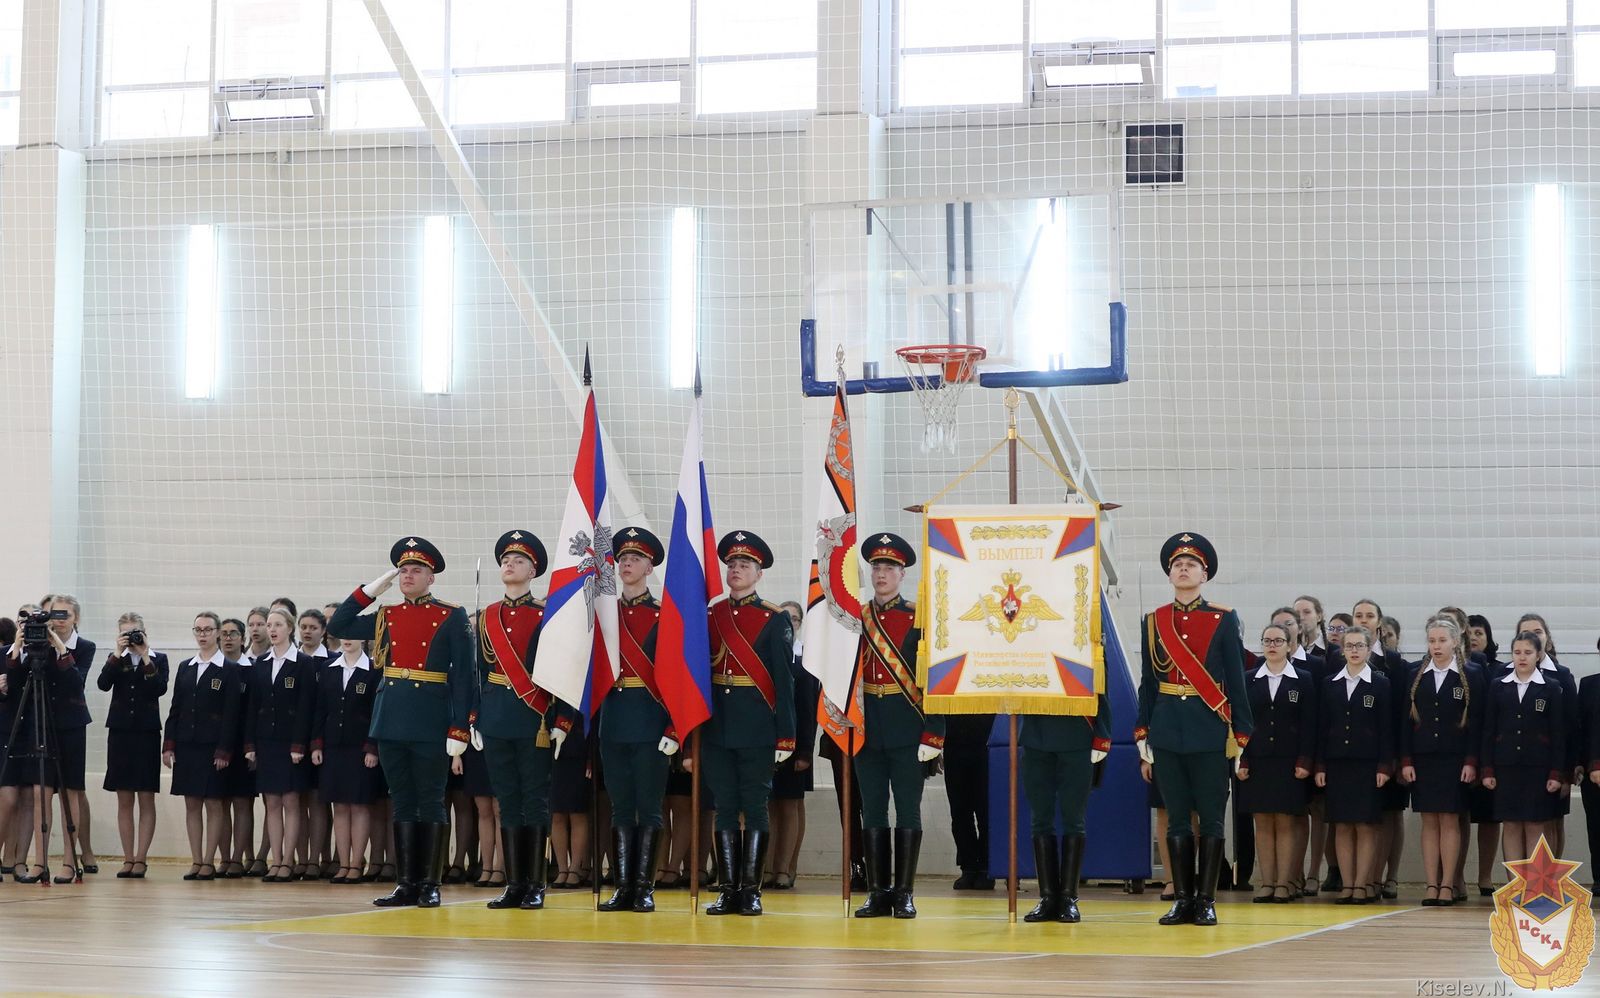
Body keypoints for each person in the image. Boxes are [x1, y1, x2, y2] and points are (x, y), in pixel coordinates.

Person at [330, 535, 475, 908]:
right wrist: (369, 591)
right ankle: (407, 883)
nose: (408, 575)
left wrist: (460, 726)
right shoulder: (387, 614)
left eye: (416, 570)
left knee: (431, 800)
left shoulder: (451, 615)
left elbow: (464, 676)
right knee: (402, 801)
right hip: (392, 717)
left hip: (430, 718)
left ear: (431, 577)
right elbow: (340, 625)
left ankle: (430, 883)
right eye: (403, 570)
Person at [1133, 533, 1253, 926]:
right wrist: (1143, 730)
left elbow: (1235, 679)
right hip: (1168, 728)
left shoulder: (1223, 617)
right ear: (1170, 574)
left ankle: (1206, 900)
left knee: (1213, 818)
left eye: (1191, 565)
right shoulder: (1154, 620)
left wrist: (1242, 732)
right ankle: (1182, 899)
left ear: (1204, 575)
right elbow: (1149, 682)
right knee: (1177, 818)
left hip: (1209, 728)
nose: (1183, 569)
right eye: (1177, 565)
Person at [475, 529, 574, 911]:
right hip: (496, 717)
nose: (509, 565)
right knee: (506, 801)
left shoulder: (546, 615)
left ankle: (535, 884)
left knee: (534, 801)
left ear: (533, 571)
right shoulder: (487, 616)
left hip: (535, 719)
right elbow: (477, 672)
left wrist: (563, 720)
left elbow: (564, 671)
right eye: (505, 560)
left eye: (518, 561)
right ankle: (514, 884)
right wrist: (473, 718)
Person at [701, 531, 796, 917]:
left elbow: (785, 683)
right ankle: (728, 889)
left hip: (757, 727)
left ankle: (751, 890)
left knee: (755, 808)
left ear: (759, 574)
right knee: (724, 808)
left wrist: (786, 735)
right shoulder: (712, 616)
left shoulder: (774, 618)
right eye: (732, 564)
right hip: (718, 728)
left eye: (745, 565)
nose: (736, 569)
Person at [849, 533, 943, 920]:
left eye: (889, 567)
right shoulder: (855, 619)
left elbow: (936, 680)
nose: (881, 574)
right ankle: (877, 892)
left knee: (907, 811)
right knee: (871, 811)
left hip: (908, 728)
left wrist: (934, 734)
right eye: (876, 567)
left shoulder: (919, 618)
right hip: (866, 728)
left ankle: (903, 893)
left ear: (903, 574)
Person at [595, 527, 677, 913]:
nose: (627, 563)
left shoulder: (664, 616)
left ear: (649, 567)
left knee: (650, 806)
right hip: (613, 720)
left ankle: (644, 887)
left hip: (650, 721)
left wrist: (674, 727)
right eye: (623, 558)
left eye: (635, 558)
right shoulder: (604, 614)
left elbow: (678, 677)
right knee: (621, 807)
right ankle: (622, 886)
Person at [5, 595, 95, 885]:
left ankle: (69, 861)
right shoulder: (36, 643)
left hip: (71, 726)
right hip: (40, 722)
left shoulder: (84, 647)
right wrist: (19, 646)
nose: (58, 620)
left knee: (70, 794)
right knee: (39, 794)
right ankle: (39, 861)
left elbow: (76, 682)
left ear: (76, 618)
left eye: (64, 615)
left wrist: (58, 645)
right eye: (53, 614)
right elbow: (16, 681)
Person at [1400, 617, 1482, 906]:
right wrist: (1406, 760)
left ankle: (1448, 883)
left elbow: (1477, 722)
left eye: (1442, 640)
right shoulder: (1416, 674)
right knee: (1429, 821)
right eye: (1432, 640)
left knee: (1449, 819)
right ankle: (1431, 883)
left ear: (1455, 642)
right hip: (1423, 759)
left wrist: (1471, 761)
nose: (1436, 646)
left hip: (1454, 759)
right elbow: (1405, 722)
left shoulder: (1470, 674)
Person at [1020, 670, 1111, 923]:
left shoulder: (1086, 641)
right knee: (1040, 819)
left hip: (1077, 732)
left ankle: (1069, 897)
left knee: (1074, 819)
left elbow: (1101, 684)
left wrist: (1102, 734)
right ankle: (1048, 897)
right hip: (1036, 732)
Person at [1236, 622, 1316, 904]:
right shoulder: (1248, 679)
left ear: (1289, 645)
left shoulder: (1302, 679)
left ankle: (1284, 882)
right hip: (1257, 761)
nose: (1272, 645)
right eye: (1267, 640)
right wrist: (1242, 758)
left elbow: (1309, 724)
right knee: (1262, 822)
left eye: (1278, 641)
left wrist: (1305, 760)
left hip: (1289, 761)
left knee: (1285, 821)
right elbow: (1241, 722)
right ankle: (1267, 882)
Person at [1314, 626, 1393, 904]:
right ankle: (1347, 884)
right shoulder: (1330, 683)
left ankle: (1362, 884)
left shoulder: (1380, 684)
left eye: (1360, 646)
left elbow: (1386, 729)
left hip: (1368, 765)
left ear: (1369, 649)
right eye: (1349, 646)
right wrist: (1320, 765)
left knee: (1365, 824)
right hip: (1337, 763)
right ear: (1342, 650)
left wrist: (1384, 765)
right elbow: (1322, 727)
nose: (1354, 651)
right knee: (1342, 825)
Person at [163, 612, 243, 881]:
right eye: (198, 630)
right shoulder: (186, 667)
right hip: (187, 745)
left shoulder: (229, 669)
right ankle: (196, 859)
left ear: (217, 633)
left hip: (213, 748)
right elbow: (176, 708)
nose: (202, 634)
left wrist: (224, 750)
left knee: (214, 803)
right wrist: (169, 745)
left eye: (208, 629)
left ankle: (210, 860)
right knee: (192, 803)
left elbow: (232, 714)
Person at [1483, 631, 1566, 867]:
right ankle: (1516, 884)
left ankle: (1534, 884)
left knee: (1535, 824)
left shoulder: (1550, 688)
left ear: (1538, 655)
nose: (1522, 657)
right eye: (1517, 652)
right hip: (1506, 766)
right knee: (1510, 825)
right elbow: (1488, 730)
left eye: (1528, 652)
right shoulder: (1499, 686)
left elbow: (1558, 734)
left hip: (1538, 768)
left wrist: (1556, 773)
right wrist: (1487, 769)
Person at [246, 607, 316, 883]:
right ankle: (275, 860)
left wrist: (299, 744)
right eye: (269, 625)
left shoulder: (303, 663)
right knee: (272, 802)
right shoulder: (261, 663)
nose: (272, 630)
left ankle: (289, 860)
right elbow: (253, 706)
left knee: (291, 800)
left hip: (291, 743)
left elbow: (306, 707)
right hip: (267, 741)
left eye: (277, 625)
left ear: (290, 628)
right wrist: (250, 744)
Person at [98, 612, 169, 879]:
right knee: (124, 798)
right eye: (125, 633)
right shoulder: (116, 658)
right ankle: (127, 857)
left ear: (144, 631)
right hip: (120, 733)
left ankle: (141, 857)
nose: (131, 638)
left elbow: (159, 688)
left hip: (146, 733)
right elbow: (103, 684)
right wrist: (118, 653)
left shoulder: (158, 658)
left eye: (135, 632)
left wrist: (145, 654)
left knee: (146, 796)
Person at [312, 637, 383, 883]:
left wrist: (373, 748)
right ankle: (343, 863)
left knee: (359, 805)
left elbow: (377, 711)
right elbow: (320, 709)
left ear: (362, 639)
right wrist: (317, 744)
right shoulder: (329, 668)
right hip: (333, 747)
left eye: (352, 636)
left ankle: (356, 863)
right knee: (339, 806)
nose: (347, 640)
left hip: (360, 748)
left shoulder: (373, 669)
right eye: (344, 635)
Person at [1351, 598, 1407, 901]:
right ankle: (1364, 879)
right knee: (1359, 818)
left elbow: (1399, 712)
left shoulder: (1394, 662)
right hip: (1354, 755)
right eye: (1358, 615)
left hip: (1387, 751)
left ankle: (1390, 876)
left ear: (1379, 623)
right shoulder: (1339, 659)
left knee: (1389, 814)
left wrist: (1396, 756)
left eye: (1369, 615)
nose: (1363, 619)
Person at [1513, 612, 1578, 856]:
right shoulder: (1504, 676)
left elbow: (1571, 725)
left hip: (1552, 765)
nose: (1532, 636)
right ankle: (1521, 877)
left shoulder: (1561, 675)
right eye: (1525, 632)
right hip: (1516, 765)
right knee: (1517, 824)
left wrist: (1567, 771)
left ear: (1547, 639)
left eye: (1537, 632)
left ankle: (1550, 876)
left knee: (1551, 822)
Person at [766, 600, 816, 893]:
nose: (789, 624)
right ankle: (768, 866)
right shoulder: (769, 655)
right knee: (769, 805)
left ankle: (786, 867)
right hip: (767, 743)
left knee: (789, 805)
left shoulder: (804, 661)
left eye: (794, 619)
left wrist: (805, 750)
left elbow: (807, 710)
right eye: (784, 619)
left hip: (796, 746)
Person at [943, 713, 995, 891]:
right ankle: (968, 867)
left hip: (987, 741)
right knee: (959, 811)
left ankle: (986, 867)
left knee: (986, 810)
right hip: (954, 741)